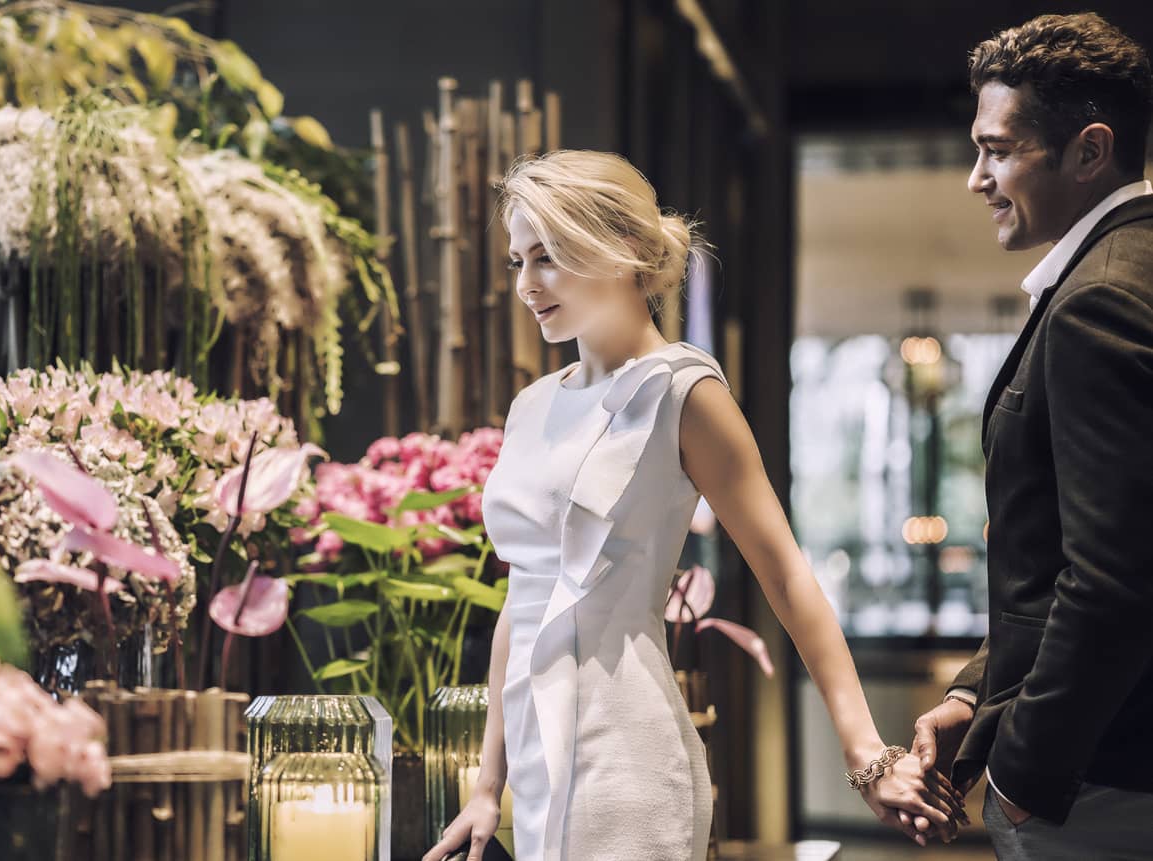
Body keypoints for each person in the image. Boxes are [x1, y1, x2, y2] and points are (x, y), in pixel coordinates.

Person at [423, 150, 963, 861]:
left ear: (621, 248)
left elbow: (785, 574)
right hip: (536, 761)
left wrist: (865, 750)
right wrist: (487, 786)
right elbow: (523, 606)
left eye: (547, 256)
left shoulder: (682, 389)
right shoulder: (531, 406)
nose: (526, 283)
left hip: (627, 754)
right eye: (518, 260)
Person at [905, 13, 1153, 859]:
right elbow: (1048, 570)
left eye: (998, 150)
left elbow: (1113, 578)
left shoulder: (1100, 301)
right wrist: (976, 694)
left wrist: (1023, 771)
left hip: (1104, 780)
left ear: (1090, 152)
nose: (976, 178)